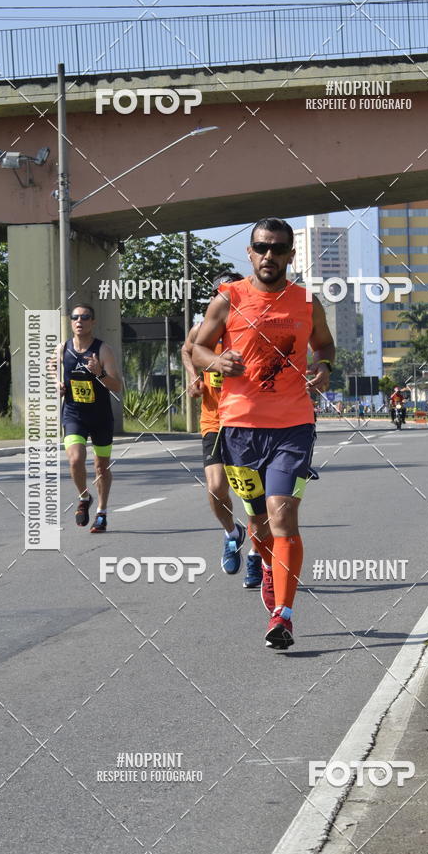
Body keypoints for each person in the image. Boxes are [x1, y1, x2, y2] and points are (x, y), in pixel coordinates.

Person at [192, 217, 335, 650]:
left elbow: (324, 345)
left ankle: (283, 616)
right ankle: (269, 566)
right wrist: (216, 362)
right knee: (257, 519)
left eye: (277, 248)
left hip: (293, 425)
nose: (269, 255)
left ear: (291, 254)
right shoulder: (228, 298)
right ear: (250, 253)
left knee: (282, 514)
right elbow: (198, 348)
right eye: (261, 247)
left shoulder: (307, 301)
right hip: (239, 428)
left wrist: (324, 366)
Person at [182, 271, 264, 587]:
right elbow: (187, 350)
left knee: (253, 495)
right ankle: (232, 532)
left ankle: (256, 556)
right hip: (215, 420)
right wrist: (193, 377)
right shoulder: (202, 329)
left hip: (249, 420)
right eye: (219, 294)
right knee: (216, 487)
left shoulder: (254, 329)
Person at [54, 304, 122, 532]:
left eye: (85, 317)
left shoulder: (103, 350)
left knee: (101, 466)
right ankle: (84, 496)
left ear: (93, 322)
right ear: (71, 322)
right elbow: (52, 370)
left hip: (100, 416)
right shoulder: (62, 349)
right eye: (75, 317)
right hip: (74, 414)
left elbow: (117, 386)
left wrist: (99, 373)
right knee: (75, 460)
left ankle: (101, 512)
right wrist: (57, 384)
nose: (79, 321)